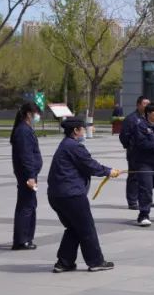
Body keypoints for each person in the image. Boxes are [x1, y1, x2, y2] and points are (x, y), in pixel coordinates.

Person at [47, 117, 119, 273]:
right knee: (86, 228)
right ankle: (96, 262)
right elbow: (89, 165)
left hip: (57, 195)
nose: (85, 132)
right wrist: (108, 171)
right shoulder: (74, 146)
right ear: (76, 131)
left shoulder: (65, 144)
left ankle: (64, 262)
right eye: (83, 129)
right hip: (71, 195)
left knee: (74, 227)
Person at [10, 102, 43, 250]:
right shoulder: (23, 131)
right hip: (27, 175)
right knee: (26, 206)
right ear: (29, 114)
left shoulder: (25, 129)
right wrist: (30, 176)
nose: (38, 116)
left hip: (29, 174)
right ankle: (21, 240)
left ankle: (25, 238)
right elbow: (26, 156)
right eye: (36, 113)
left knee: (29, 204)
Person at [119, 96, 150, 210]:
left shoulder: (148, 118)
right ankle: (132, 201)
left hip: (147, 153)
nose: (147, 106)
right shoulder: (131, 119)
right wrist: (130, 146)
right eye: (145, 104)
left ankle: (144, 200)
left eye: (148, 104)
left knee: (146, 177)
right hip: (134, 153)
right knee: (134, 176)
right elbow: (123, 136)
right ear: (138, 105)